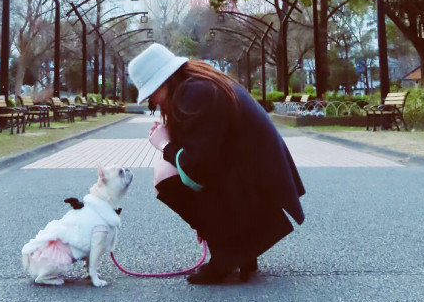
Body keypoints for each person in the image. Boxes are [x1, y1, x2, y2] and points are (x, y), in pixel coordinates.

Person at [128, 43, 305, 285]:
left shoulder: (194, 92)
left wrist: (164, 145)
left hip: (252, 187)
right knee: (168, 170)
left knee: (164, 175)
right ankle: (241, 249)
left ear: (162, 83)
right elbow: (206, 154)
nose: (155, 105)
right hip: (254, 181)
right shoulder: (198, 84)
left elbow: (198, 170)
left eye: (151, 99)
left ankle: (229, 253)